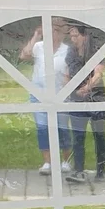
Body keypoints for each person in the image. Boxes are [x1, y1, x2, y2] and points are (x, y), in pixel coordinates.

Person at [19, 18, 72, 176]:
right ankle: (48, 163)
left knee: (62, 128)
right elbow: (24, 56)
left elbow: (72, 70)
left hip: (60, 94)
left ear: (63, 34)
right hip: (39, 94)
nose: (54, 34)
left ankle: (65, 162)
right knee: (43, 129)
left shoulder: (67, 50)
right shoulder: (39, 46)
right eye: (51, 30)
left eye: (58, 31)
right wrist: (36, 35)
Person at [65, 22, 105, 183]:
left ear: (85, 36)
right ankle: (79, 171)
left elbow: (98, 73)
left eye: (75, 35)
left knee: (99, 135)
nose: (72, 39)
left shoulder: (95, 50)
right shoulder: (71, 52)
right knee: (77, 136)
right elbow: (67, 73)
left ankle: (101, 170)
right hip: (76, 99)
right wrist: (70, 90)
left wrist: (86, 88)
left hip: (97, 98)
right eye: (70, 36)